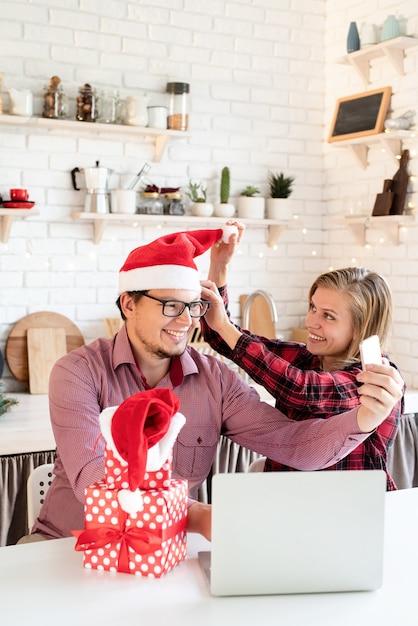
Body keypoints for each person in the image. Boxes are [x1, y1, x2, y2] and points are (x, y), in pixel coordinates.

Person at [28, 226, 403, 544]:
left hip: (166, 551)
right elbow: (94, 480)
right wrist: (199, 517)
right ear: (128, 303)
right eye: (171, 305)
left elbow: (294, 445)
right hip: (69, 545)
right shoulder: (77, 371)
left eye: (193, 307)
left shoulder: (215, 380)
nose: (187, 321)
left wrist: (363, 420)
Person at [200, 222, 405, 490]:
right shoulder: (305, 358)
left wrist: (226, 328)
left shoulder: (373, 380)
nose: (311, 321)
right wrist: (219, 267)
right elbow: (220, 336)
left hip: (351, 511)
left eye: (328, 316)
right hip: (289, 501)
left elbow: (301, 389)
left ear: (360, 329)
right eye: (313, 308)